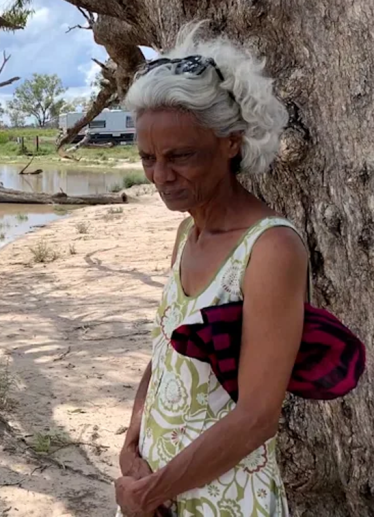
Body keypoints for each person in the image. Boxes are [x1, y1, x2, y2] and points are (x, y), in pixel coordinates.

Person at [114, 23, 303, 516]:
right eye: (148, 158)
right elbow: (165, 350)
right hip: (153, 488)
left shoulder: (270, 248)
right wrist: (132, 443)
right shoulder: (186, 236)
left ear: (232, 143)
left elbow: (258, 418)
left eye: (181, 156)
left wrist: (149, 493)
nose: (160, 176)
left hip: (225, 499)